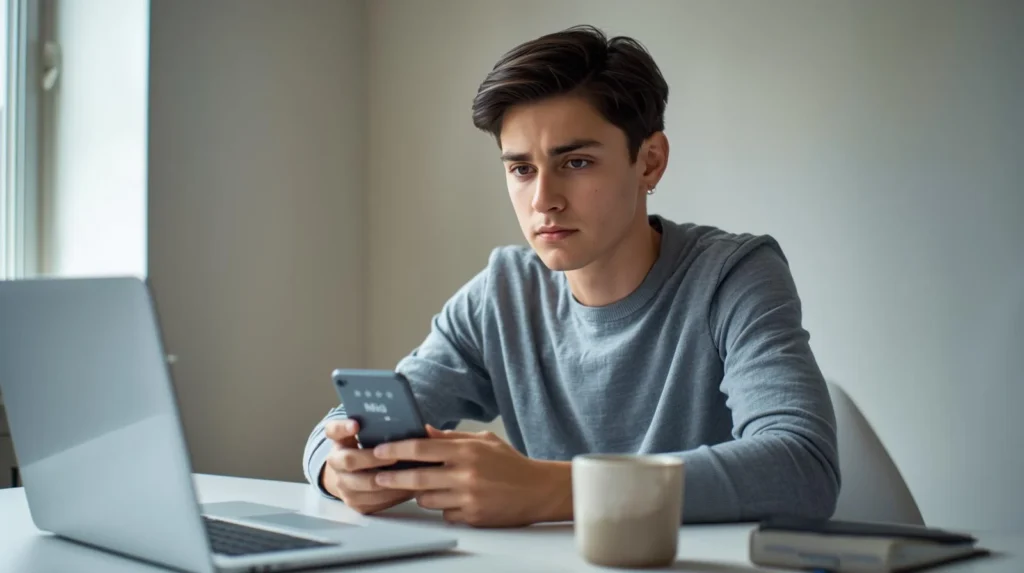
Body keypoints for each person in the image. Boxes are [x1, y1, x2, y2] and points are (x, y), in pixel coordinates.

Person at [302, 25, 840, 528]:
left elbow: (803, 466)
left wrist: (556, 489)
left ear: (649, 162)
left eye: (576, 162)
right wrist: (338, 468)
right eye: (521, 169)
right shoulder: (502, 295)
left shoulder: (734, 276)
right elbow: (338, 430)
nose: (544, 200)